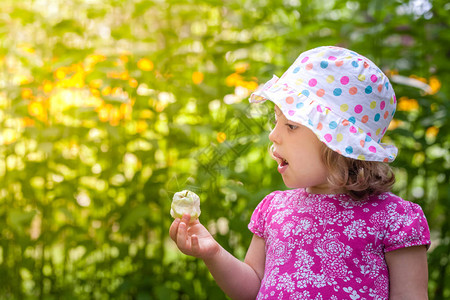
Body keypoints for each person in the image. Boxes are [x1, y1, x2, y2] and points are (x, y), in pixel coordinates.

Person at [169, 46, 431, 299]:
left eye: (291, 126)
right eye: (276, 120)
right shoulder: (273, 209)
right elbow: (252, 289)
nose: (273, 134)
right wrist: (213, 253)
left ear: (338, 143)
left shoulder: (394, 219)